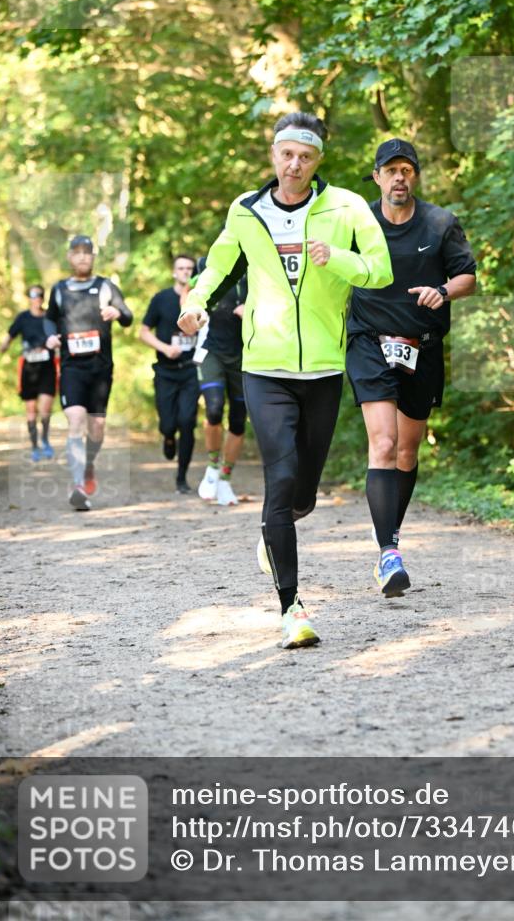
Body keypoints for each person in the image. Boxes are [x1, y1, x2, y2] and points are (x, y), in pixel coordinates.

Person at [178, 112, 392, 649]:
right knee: (280, 479)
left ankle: (276, 531)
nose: (294, 164)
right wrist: (194, 304)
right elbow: (217, 265)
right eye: (286, 154)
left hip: (322, 369)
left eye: (306, 156)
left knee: (303, 495)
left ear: (318, 161)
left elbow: (381, 269)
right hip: (264, 368)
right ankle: (291, 607)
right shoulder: (246, 211)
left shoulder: (345, 207)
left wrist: (336, 257)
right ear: (273, 155)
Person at [347, 139, 476, 595]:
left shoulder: (440, 222)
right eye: (390, 169)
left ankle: (391, 537)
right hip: (369, 343)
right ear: (377, 176)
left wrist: (443, 290)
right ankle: (388, 555)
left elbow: (469, 277)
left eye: (407, 169)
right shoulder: (358, 222)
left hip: (422, 345)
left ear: (414, 177)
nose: (399, 177)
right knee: (382, 444)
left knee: (406, 451)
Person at [45, 235, 133, 511]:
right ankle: (78, 485)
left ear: (93, 257)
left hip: (100, 368)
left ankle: (89, 463)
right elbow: (49, 318)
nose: (83, 257)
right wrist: (50, 337)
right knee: (75, 420)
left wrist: (116, 312)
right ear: (69, 257)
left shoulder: (106, 286)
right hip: (71, 367)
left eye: (87, 252)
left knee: (96, 427)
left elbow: (128, 316)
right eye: (77, 252)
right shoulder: (59, 289)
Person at [140, 254, 201, 494]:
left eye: (189, 268)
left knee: (187, 422)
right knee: (168, 424)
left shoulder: (200, 300)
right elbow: (143, 332)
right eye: (181, 268)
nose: (185, 272)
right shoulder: (161, 299)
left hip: (191, 371)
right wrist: (165, 348)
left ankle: (182, 478)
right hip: (165, 371)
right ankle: (167, 436)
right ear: (174, 272)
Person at [195, 255, 247, 506]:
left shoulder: (256, 267)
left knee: (238, 421)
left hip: (245, 356)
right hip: (213, 351)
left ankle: (225, 478)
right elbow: (193, 295)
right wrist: (196, 314)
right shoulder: (209, 265)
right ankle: (212, 465)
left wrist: (251, 310)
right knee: (214, 409)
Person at [0, 285, 57, 461]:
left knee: (45, 408)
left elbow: (59, 336)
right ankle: (34, 446)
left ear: (43, 297)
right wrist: (4, 346)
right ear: (29, 297)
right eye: (33, 295)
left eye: (39, 295)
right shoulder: (23, 318)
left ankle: (45, 440)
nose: (36, 298)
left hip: (47, 367)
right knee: (31, 409)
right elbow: (10, 335)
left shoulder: (49, 317)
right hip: (29, 369)